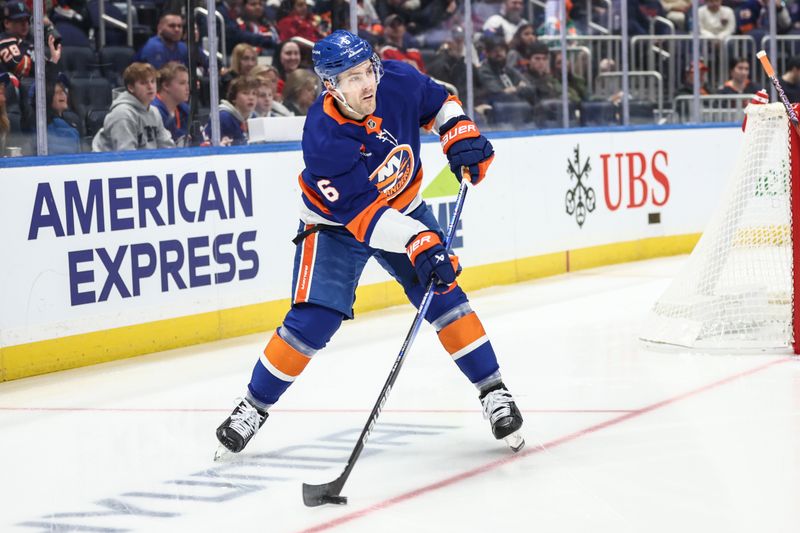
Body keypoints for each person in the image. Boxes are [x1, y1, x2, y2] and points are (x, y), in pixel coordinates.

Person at [215, 30, 524, 457]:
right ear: (331, 86)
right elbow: (364, 216)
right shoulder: (323, 136)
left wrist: (459, 134)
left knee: (445, 297)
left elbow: (439, 104)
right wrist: (420, 240)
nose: (367, 84)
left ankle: (494, 392)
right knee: (314, 320)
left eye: (368, 71)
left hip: (403, 204)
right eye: (353, 78)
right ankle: (253, 406)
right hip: (336, 224)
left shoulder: (397, 79)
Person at [92, 62, 175, 152]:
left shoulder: (154, 112)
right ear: (131, 87)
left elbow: (167, 147)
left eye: (152, 81)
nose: (150, 87)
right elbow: (126, 156)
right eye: (143, 83)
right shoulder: (122, 114)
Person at [0, 2, 62, 79]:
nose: (24, 24)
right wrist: (49, 65)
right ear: (7, 23)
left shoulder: (30, 41)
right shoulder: (3, 42)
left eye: (26, 19)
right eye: (19, 20)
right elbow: (23, 67)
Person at [205, 75, 259, 145]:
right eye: (245, 93)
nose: (251, 98)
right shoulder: (223, 117)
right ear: (234, 98)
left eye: (254, 94)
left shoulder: (254, 117)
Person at [152, 62, 190, 144]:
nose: (187, 88)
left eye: (188, 83)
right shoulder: (153, 112)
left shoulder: (184, 109)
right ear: (166, 85)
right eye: (182, 83)